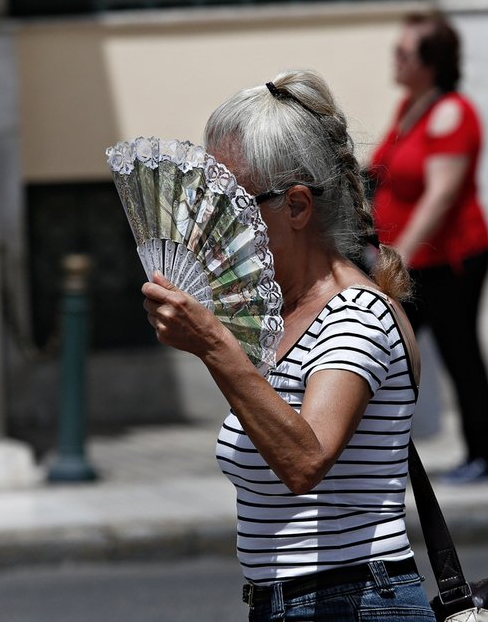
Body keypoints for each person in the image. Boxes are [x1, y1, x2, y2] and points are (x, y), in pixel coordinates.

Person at [141, 70, 436, 622]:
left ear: (297, 206)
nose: (209, 224)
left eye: (229, 204)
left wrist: (214, 345)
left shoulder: (357, 314)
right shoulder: (277, 318)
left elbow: (304, 461)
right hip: (290, 604)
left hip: (352, 603)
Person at [369, 11, 488, 485]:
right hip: (416, 262)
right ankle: (373, 455)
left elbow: (441, 195)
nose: (395, 59)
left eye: (403, 53)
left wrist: (398, 255)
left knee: (457, 352)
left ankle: (485, 458)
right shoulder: (412, 108)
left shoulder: (451, 113)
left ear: (431, 62)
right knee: (385, 347)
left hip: (449, 260)